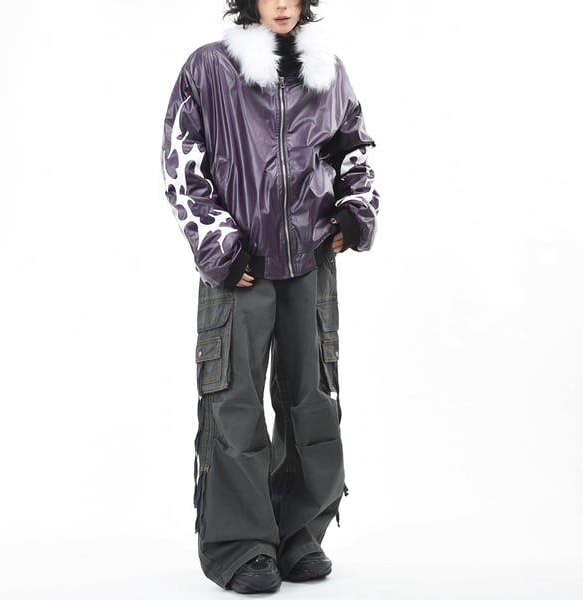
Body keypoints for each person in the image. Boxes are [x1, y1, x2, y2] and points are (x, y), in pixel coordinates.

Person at [160, 0, 379, 593]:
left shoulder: (327, 72)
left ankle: (299, 532)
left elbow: (354, 150)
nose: (282, 4)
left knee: (312, 397)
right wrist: (221, 247)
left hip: (310, 260)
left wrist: (353, 212)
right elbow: (181, 166)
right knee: (234, 400)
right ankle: (242, 546)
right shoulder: (210, 68)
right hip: (241, 268)